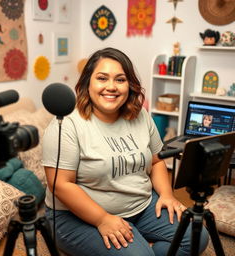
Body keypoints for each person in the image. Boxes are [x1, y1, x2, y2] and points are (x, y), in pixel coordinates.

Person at [42, 47, 209, 256]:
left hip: (140, 206)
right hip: (76, 217)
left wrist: (166, 195)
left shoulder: (140, 115)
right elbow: (60, 184)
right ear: (87, 83)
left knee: (197, 237)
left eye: (120, 80)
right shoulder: (66, 124)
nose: (111, 87)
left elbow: (157, 161)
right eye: (102, 78)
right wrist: (103, 219)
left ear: (129, 85)